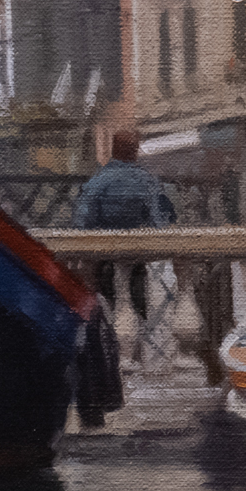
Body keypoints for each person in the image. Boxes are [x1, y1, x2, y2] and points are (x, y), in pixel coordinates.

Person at [74, 130, 174, 351]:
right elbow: (161, 224)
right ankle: (133, 354)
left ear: (113, 150)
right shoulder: (148, 182)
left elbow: (81, 224)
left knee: (101, 309)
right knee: (136, 308)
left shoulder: (97, 181)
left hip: (101, 261)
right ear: (135, 151)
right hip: (136, 258)